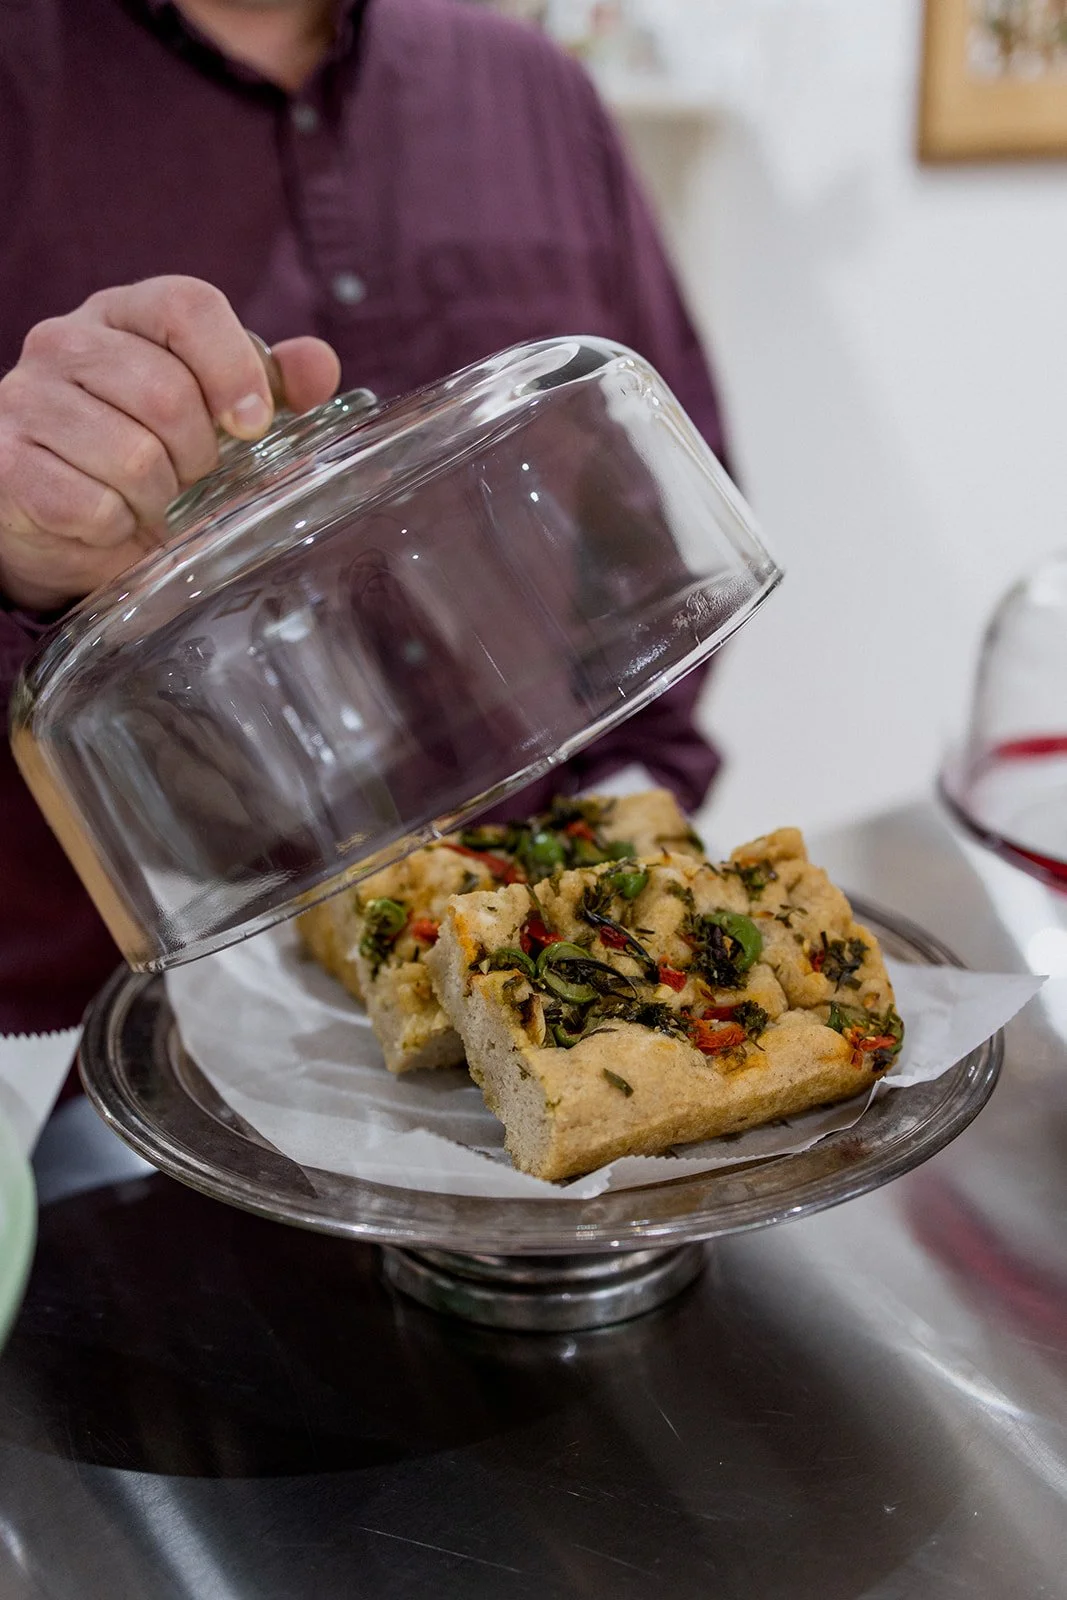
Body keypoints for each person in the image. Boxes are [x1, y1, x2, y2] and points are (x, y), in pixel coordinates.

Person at [0, 0, 730, 1036]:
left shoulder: (531, 88)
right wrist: (25, 557)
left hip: (560, 974)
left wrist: (619, 849)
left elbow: (652, 529)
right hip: (99, 1049)